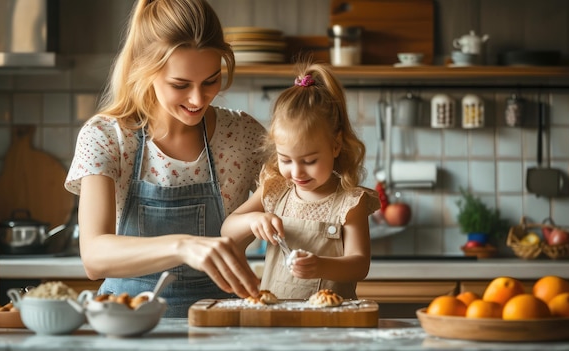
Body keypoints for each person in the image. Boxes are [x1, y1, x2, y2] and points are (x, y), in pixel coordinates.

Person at [64, 0, 264, 318]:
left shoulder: (242, 135)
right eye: (180, 85)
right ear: (146, 69)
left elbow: (296, 194)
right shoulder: (107, 136)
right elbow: (94, 257)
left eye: (210, 81)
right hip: (124, 326)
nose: (198, 99)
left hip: (218, 326)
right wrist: (183, 246)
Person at [221, 62, 380, 300]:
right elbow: (228, 231)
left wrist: (321, 266)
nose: (297, 172)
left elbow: (359, 265)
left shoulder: (350, 202)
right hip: (276, 320)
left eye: (309, 161)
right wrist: (253, 220)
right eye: (286, 160)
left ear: (335, 146)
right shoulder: (274, 190)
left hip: (332, 322)